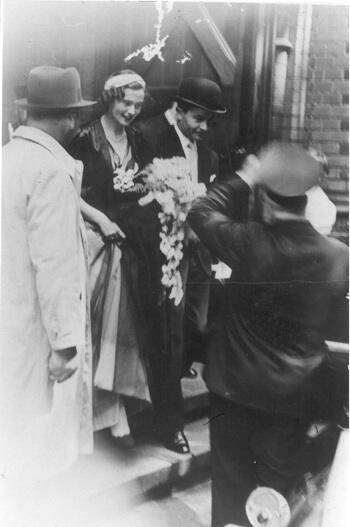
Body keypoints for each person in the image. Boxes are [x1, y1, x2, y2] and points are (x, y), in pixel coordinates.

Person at [188, 142, 349, 527]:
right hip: (292, 398)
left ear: (264, 197)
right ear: (307, 198)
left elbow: (200, 211)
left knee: (229, 490)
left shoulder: (248, 242)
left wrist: (247, 175)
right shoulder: (338, 256)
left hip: (232, 391)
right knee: (274, 502)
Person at [1, 66, 95, 477]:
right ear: (68, 118)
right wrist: (64, 343)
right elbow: (54, 265)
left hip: (10, 320)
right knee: (35, 447)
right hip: (35, 330)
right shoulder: (53, 171)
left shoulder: (7, 158)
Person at [135, 77, 226, 453]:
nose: (204, 128)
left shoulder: (209, 155)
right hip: (161, 253)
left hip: (197, 254)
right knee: (167, 338)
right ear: (178, 109)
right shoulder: (150, 135)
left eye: (208, 121)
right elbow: (138, 195)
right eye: (198, 119)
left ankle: (170, 391)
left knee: (196, 325)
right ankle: (170, 424)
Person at [69, 70, 151, 445]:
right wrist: (100, 218)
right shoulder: (84, 138)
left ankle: (114, 419)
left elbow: (144, 186)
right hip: (92, 243)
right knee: (95, 330)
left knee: (120, 335)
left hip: (126, 246)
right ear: (109, 99)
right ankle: (87, 422)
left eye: (137, 104)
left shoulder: (137, 139)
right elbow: (68, 189)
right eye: (124, 102)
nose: (131, 111)